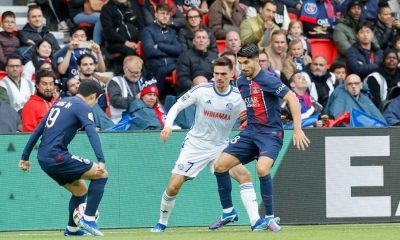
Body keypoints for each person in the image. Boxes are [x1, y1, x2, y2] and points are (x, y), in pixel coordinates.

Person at [210, 44, 310, 232]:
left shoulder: (268, 79)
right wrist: (249, 113)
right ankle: (228, 211)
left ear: (257, 61)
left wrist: (297, 129)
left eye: (246, 62)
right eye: (240, 63)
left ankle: (270, 218)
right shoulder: (241, 81)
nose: (243, 66)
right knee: (220, 166)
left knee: (262, 169)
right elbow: (258, 102)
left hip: (270, 134)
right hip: (250, 132)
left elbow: (292, 99)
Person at [150, 56, 255, 232]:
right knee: (173, 186)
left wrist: (248, 115)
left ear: (232, 75)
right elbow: (176, 106)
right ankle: (162, 222)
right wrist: (167, 127)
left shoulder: (239, 97)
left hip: (221, 146)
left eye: (223, 74)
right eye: (216, 74)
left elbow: (253, 114)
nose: (219, 77)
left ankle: (255, 222)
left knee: (244, 176)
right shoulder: (201, 90)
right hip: (195, 145)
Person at [19, 80, 108, 236]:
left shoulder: (61, 102)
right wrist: (101, 159)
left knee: (80, 190)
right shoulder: (83, 106)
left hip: (44, 158)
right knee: (101, 174)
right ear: (93, 96)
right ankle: (88, 218)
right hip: (57, 156)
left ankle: (72, 229)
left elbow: (39, 129)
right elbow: (91, 132)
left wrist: (25, 156)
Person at [176, 29, 218, 94]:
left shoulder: (214, 57)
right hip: (190, 91)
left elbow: (218, 75)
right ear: (193, 41)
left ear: (208, 42)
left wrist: (209, 85)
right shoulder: (185, 56)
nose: (201, 40)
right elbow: (182, 78)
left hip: (212, 90)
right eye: (198, 37)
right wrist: (195, 86)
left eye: (204, 38)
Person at [107, 55, 144, 124]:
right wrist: (135, 99)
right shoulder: (115, 81)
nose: (136, 75)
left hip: (142, 119)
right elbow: (115, 101)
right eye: (133, 72)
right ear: (125, 69)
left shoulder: (144, 82)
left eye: (138, 72)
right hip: (121, 122)